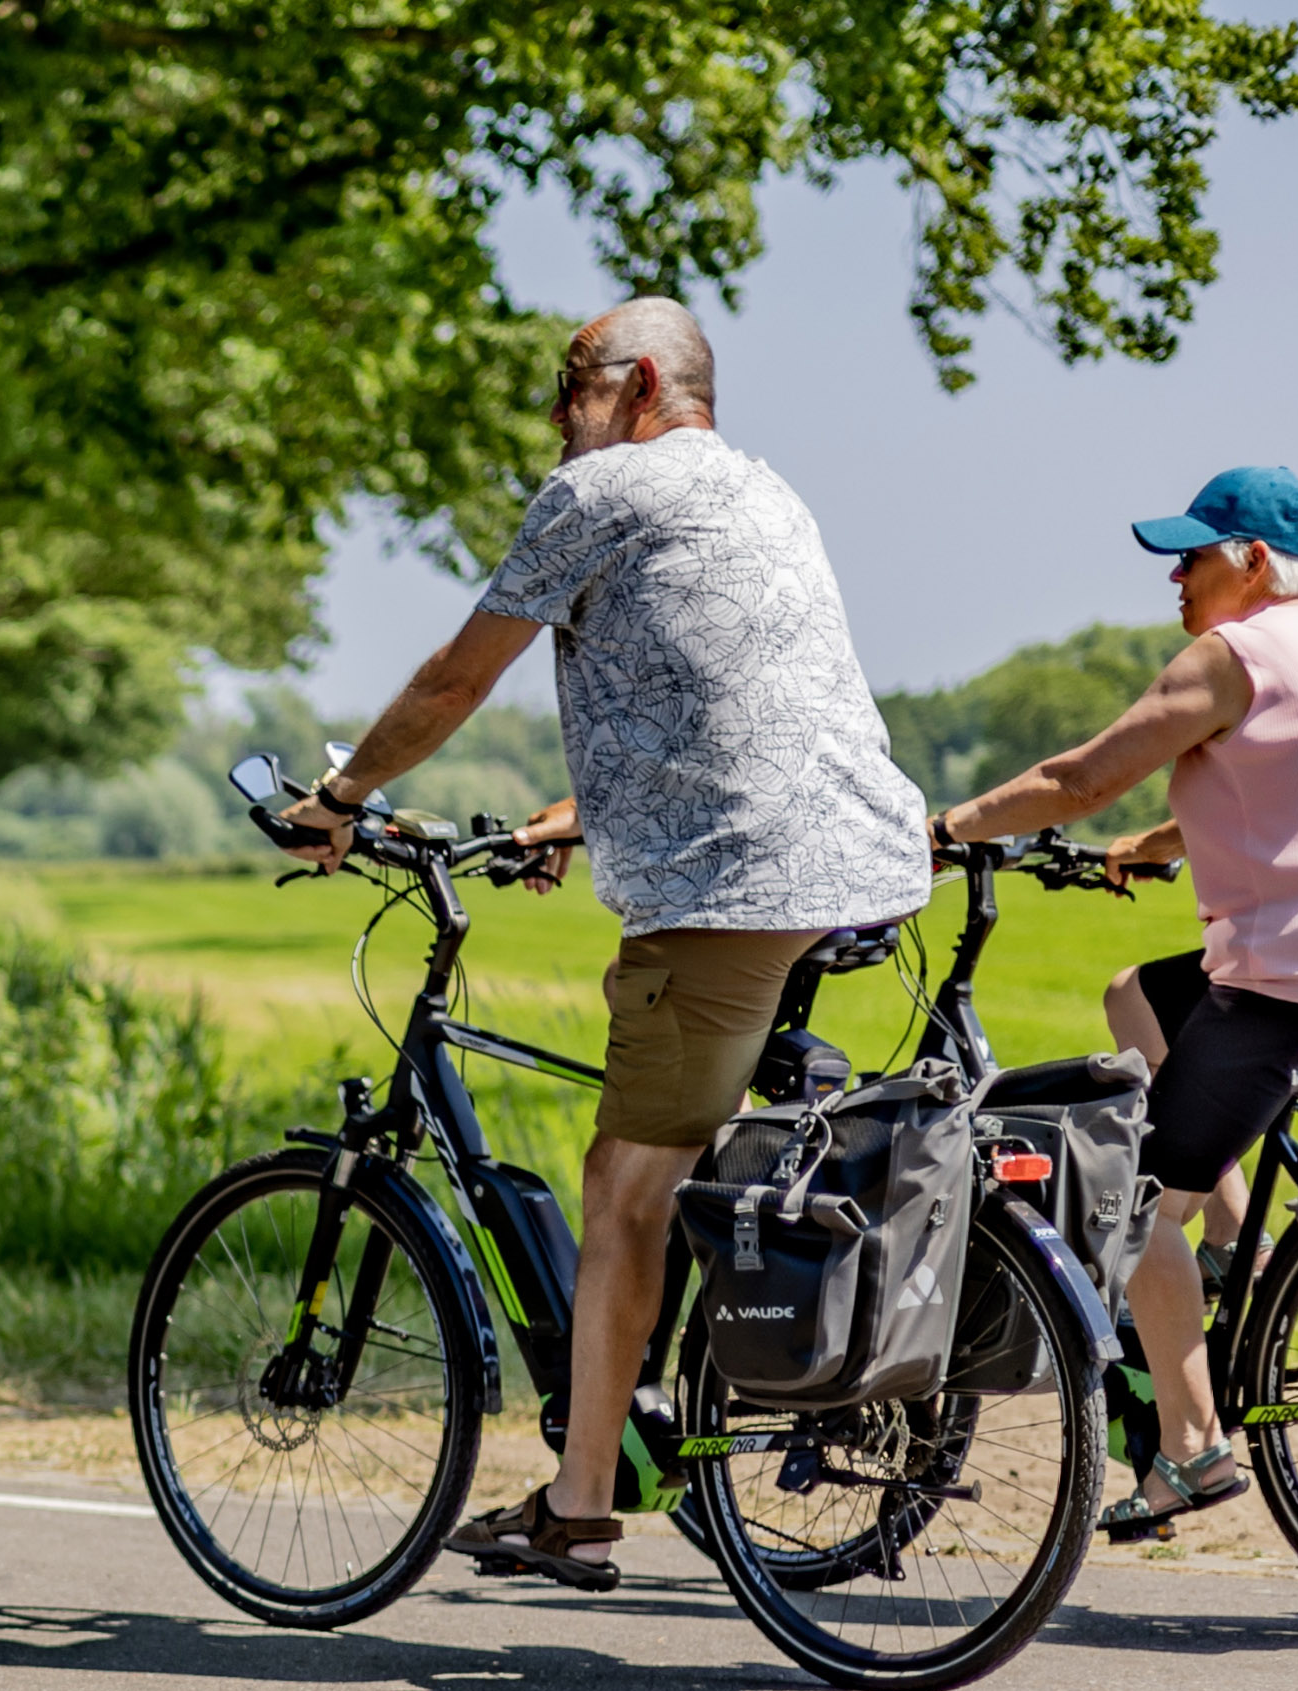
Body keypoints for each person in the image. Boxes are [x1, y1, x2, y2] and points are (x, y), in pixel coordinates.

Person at [282, 295, 929, 1590]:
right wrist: (587, 809)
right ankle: (666, 1395)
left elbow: (457, 679)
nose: (558, 419)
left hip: (733, 890)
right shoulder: (763, 493)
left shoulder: (602, 494)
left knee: (624, 1187)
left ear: (637, 385)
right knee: (704, 1150)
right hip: (864, 869)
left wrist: (341, 797)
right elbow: (735, 692)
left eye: (569, 387)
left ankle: (579, 1504)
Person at [927, 466, 1298, 1538]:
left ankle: (1191, 1446)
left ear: (1251, 562)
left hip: (1295, 972)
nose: (1173, 575)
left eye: (1192, 553)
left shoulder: (1233, 654)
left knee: (1122, 1199)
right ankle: (1224, 1239)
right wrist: (1161, 843)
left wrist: (946, 830)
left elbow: (1080, 775)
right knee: (1137, 992)